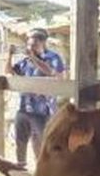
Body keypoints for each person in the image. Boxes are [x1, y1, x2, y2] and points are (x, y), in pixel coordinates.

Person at [7, 27, 66, 166]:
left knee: (44, 143)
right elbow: (9, 72)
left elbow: (53, 73)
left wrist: (34, 58)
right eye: (29, 45)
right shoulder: (25, 61)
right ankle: (21, 167)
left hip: (42, 110)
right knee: (20, 140)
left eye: (34, 45)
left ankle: (48, 171)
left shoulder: (53, 58)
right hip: (24, 106)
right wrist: (9, 55)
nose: (30, 48)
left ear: (43, 43)